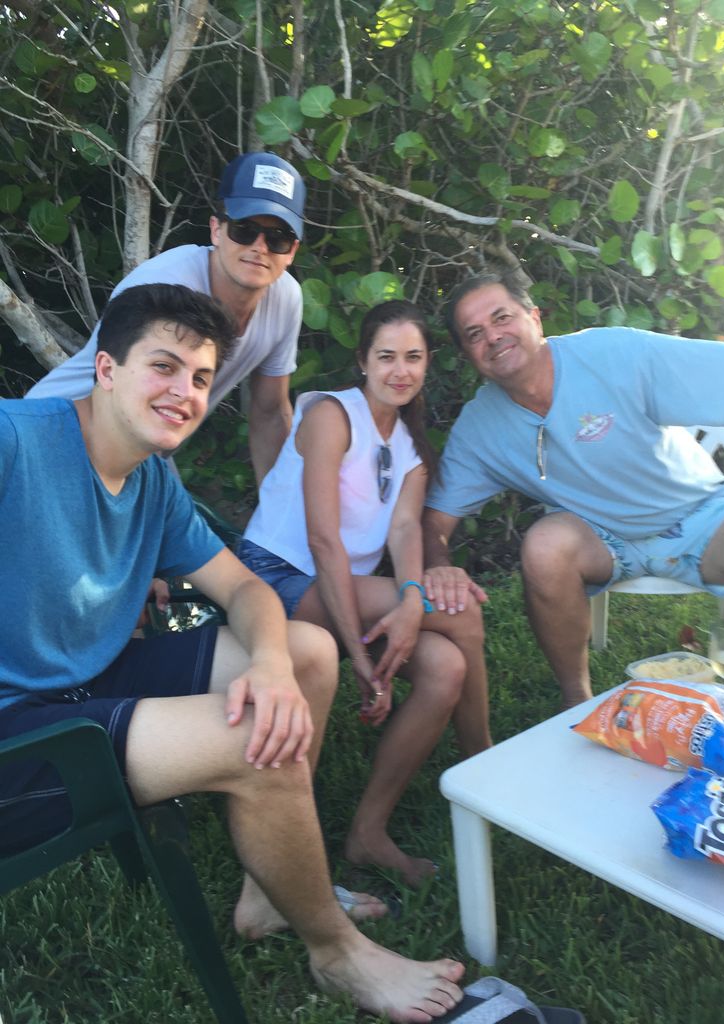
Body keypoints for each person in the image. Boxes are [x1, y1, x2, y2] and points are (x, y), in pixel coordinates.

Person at [0, 283, 465, 1022]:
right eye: (163, 366)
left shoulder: (152, 479)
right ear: (106, 370)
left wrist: (272, 667)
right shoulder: (16, 440)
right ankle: (337, 952)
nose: (182, 392)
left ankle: (267, 891)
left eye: (200, 377)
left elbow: (247, 589)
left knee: (306, 652)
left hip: (88, 677)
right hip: (17, 731)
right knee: (257, 743)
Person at [422, 269, 724, 709]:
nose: (493, 336)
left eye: (502, 317)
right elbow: (435, 520)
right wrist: (439, 564)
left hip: (699, 514)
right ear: (468, 354)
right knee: (544, 546)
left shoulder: (615, 353)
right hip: (602, 536)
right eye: (475, 333)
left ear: (534, 318)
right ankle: (577, 703)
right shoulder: (479, 428)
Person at [238, 300, 491, 886]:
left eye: (413, 357)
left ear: (427, 363)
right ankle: (486, 767)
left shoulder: (410, 445)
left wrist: (411, 599)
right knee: (462, 618)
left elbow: (404, 531)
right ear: (362, 361)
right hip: (276, 576)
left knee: (447, 668)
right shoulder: (332, 414)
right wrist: (360, 657)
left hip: (339, 591)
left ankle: (367, 833)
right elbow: (323, 541)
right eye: (386, 357)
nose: (400, 371)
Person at [26, 151, 305, 485]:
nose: (259, 247)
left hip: (140, 452)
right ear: (216, 230)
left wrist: (280, 513)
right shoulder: (164, 285)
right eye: (244, 229)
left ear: (292, 251)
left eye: (277, 238)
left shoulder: (286, 300)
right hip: (59, 433)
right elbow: (115, 399)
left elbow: (270, 413)